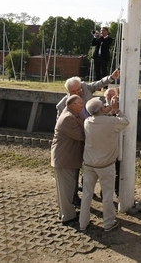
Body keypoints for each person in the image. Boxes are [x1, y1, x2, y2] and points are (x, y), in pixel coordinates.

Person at [78, 98, 129, 233]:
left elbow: (101, 120)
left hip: (89, 163)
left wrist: (108, 109)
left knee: (87, 194)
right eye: (104, 105)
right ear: (101, 109)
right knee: (107, 195)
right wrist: (116, 109)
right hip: (105, 165)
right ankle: (108, 223)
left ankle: (83, 223)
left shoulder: (87, 121)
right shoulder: (110, 122)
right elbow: (125, 122)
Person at [51, 94, 86, 225]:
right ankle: (67, 216)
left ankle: (65, 212)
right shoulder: (67, 119)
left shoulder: (73, 115)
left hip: (68, 158)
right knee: (66, 189)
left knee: (68, 188)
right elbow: (81, 135)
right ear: (72, 105)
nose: (83, 106)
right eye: (80, 104)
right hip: (65, 158)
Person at [56, 68, 120, 119]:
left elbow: (99, 84)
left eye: (78, 89)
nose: (76, 93)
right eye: (73, 91)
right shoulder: (62, 105)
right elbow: (60, 123)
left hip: (94, 121)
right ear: (68, 91)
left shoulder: (85, 87)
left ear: (81, 86)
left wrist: (111, 77)